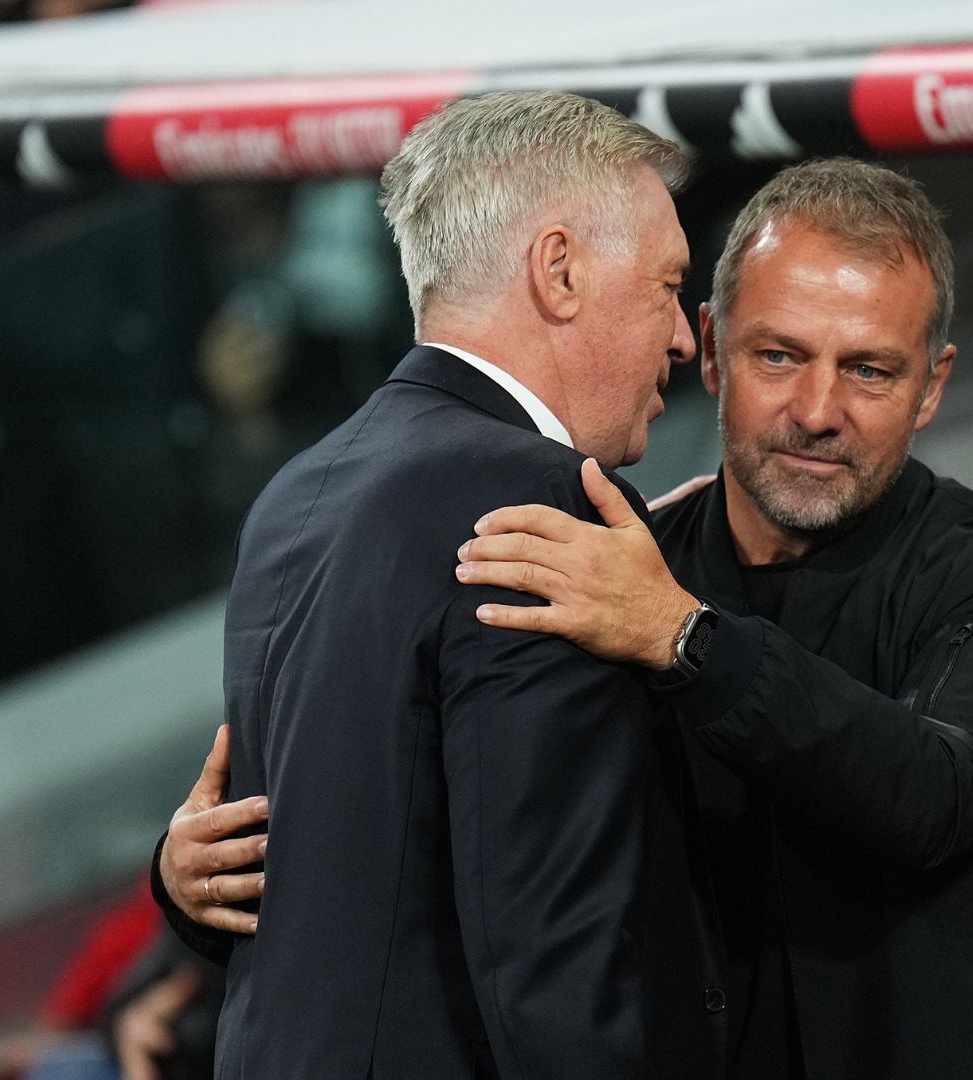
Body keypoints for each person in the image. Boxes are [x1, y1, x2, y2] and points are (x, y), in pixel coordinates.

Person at [165, 157, 973, 1078]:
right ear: (707, 344)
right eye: (778, 356)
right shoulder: (601, 562)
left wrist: (684, 640)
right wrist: (189, 887)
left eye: (868, 370)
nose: (818, 410)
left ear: (932, 386)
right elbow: (450, 847)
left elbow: (931, 795)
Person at [160, 91, 726, 1080]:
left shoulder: (299, 489)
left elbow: (311, 875)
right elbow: (551, 946)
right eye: (666, 286)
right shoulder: (547, 502)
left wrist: (175, 883)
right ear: (559, 272)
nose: (682, 337)